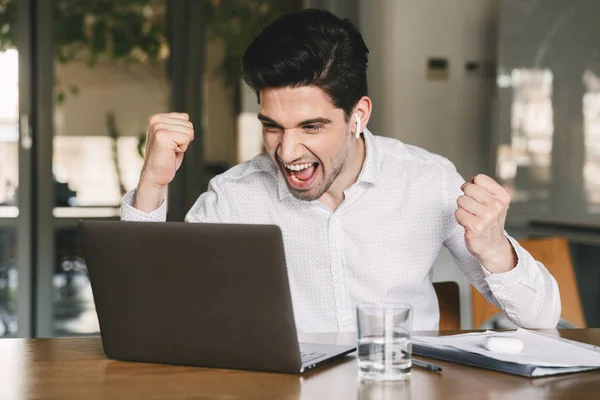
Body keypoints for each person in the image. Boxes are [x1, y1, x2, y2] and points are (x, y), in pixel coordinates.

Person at [121, 9, 561, 332]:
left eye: (311, 126)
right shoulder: (234, 195)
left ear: (358, 115)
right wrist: (152, 185)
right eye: (272, 127)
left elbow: (542, 318)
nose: (287, 150)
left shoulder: (427, 180)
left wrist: (494, 249)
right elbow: (139, 313)